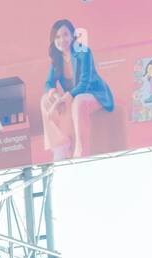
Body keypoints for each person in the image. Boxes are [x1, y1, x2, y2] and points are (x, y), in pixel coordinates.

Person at [41, 20, 115, 161]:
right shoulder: (57, 58)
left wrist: (64, 98)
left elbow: (84, 84)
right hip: (73, 96)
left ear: (73, 36)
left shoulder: (83, 51)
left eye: (65, 35)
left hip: (94, 93)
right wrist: (54, 95)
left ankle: (81, 149)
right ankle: (60, 144)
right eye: (57, 37)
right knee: (45, 99)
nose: (62, 40)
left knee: (78, 101)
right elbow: (48, 83)